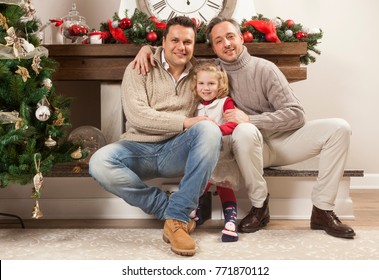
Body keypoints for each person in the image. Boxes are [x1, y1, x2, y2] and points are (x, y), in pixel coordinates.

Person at [132, 16, 356, 239]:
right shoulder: (208, 69)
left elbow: (296, 115)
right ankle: (260, 206)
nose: (226, 44)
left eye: (230, 37)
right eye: (218, 41)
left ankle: (322, 210)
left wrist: (250, 119)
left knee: (339, 128)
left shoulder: (265, 69)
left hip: (282, 142)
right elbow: (177, 52)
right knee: (245, 131)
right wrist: (147, 49)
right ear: (213, 47)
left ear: (241, 38)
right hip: (246, 145)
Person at [89, 16, 222, 257]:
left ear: (194, 45)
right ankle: (173, 212)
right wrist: (183, 121)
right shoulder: (139, 67)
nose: (181, 47)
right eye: (175, 40)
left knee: (210, 130)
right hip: (137, 148)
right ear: (162, 41)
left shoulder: (200, 74)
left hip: (176, 150)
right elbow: (138, 116)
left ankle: (177, 217)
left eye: (188, 42)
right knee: (99, 161)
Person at [190, 62, 240, 242]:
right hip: (202, 155)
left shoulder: (224, 102)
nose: (206, 88)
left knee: (223, 185)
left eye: (211, 84)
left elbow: (234, 123)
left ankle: (231, 221)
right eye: (201, 83)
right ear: (196, 85)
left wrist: (216, 130)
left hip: (222, 153)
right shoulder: (194, 105)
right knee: (200, 182)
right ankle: (192, 210)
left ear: (219, 85)